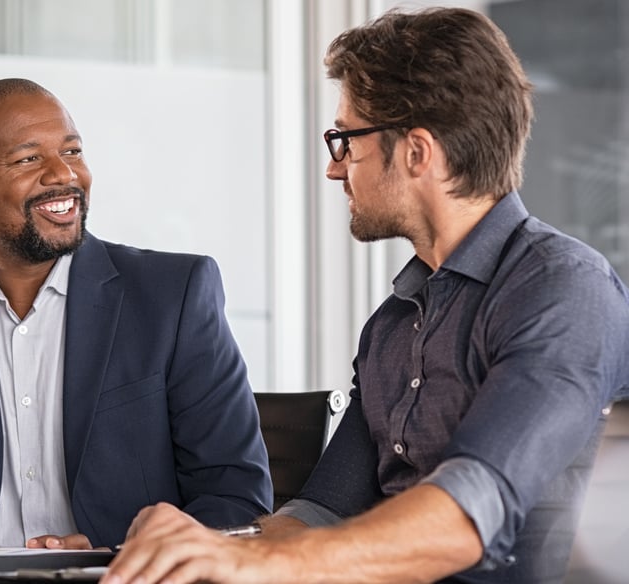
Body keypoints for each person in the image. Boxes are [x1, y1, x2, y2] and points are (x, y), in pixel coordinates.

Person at [102, 7, 629, 584]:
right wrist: (183, 552)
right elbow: (318, 515)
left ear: (417, 152)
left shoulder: (563, 288)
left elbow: (466, 515)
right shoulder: (393, 324)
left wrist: (253, 561)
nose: (335, 171)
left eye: (345, 141)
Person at [0, 78, 272, 551]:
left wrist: (119, 557)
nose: (63, 174)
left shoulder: (172, 296)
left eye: (72, 151)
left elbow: (236, 500)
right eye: (28, 159)